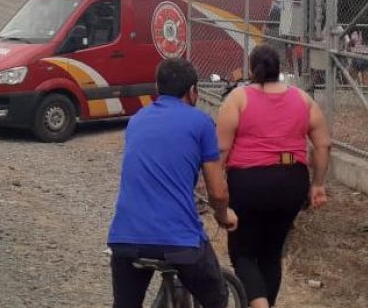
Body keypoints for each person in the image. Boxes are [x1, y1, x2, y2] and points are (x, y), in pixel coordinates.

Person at [108, 58, 237, 308]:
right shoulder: (201, 123)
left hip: (125, 236)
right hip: (179, 239)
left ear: (158, 88)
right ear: (192, 91)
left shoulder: (136, 121)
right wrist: (223, 216)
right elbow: (218, 192)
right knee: (216, 297)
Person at [216, 45, 332, 308]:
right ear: (279, 69)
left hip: (248, 182)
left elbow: (222, 148)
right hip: (291, 181)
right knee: (271, 253)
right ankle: (267, 302)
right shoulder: (303, 99)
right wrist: (318, 184)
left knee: (243, 253)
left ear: (251, 69)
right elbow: (323, 143)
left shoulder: (237, 98)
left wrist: (216, 182)